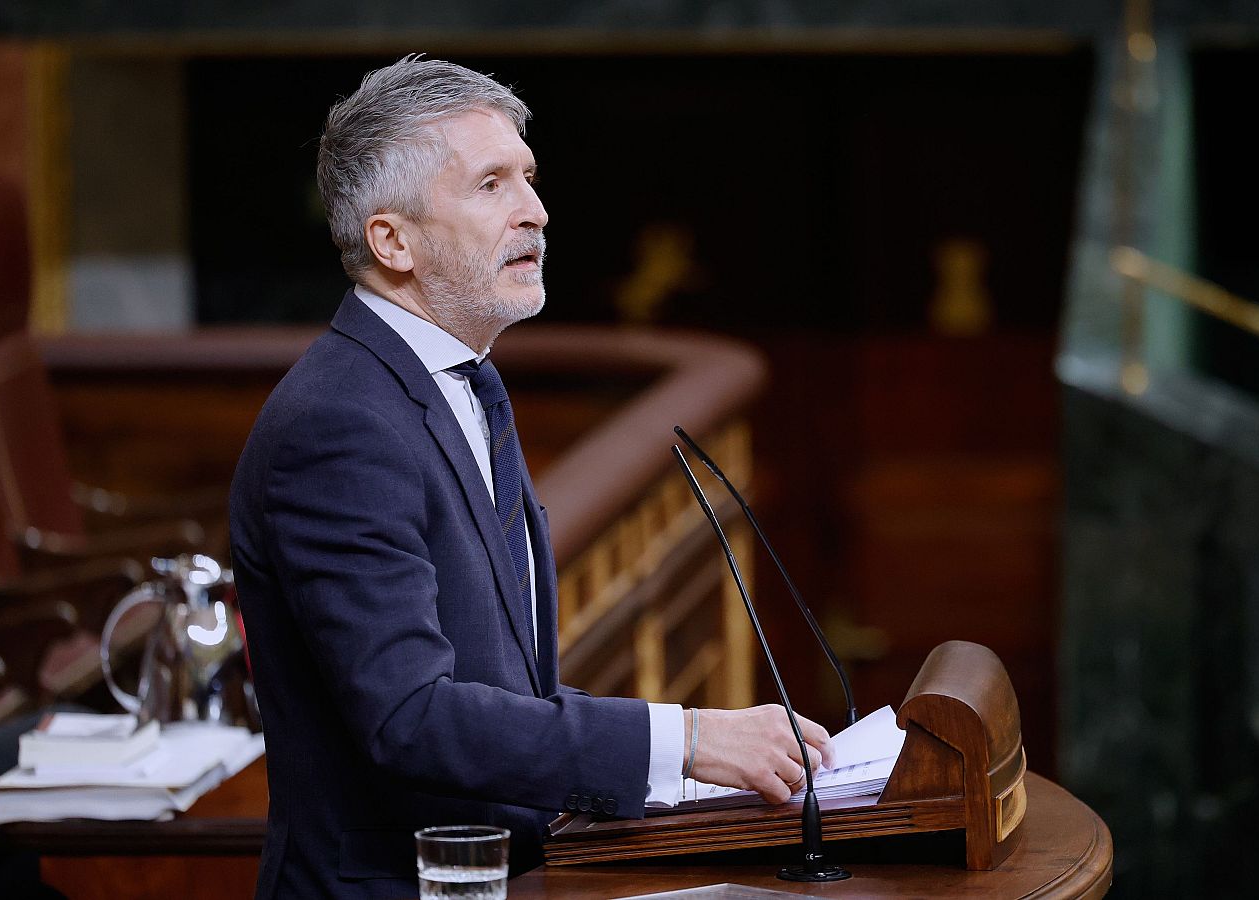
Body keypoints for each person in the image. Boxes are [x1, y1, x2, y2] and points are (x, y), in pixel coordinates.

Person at [229, 56, 832, 899]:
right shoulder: (340, 426)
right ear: (391, 240)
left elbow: (500, 685)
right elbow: (412, 716)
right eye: (491, 185)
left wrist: (677, 772)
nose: (537, 212)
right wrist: (686, 740)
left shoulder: (465, 380)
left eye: (530, 177)